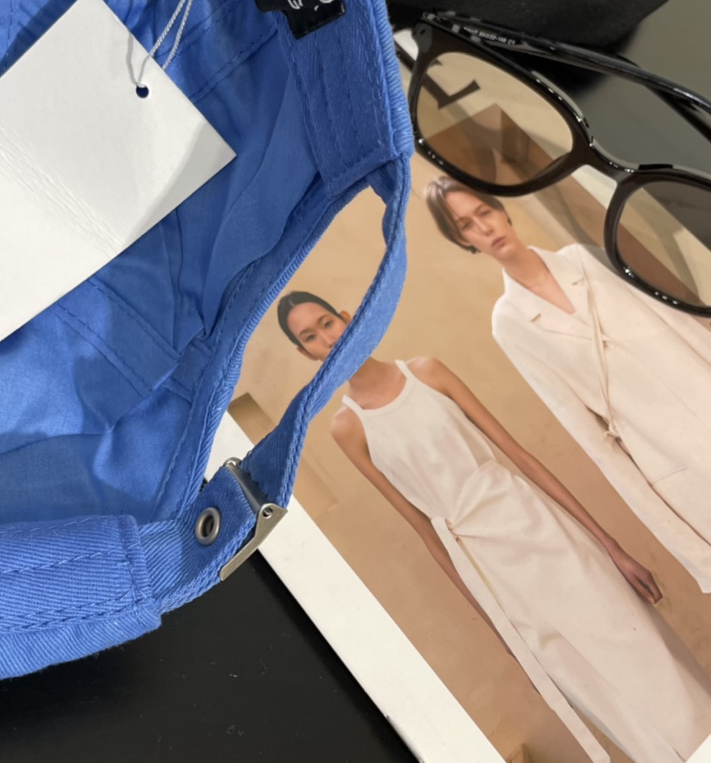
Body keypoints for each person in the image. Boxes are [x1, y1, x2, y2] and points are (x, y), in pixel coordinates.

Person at [279, 291, 711, 763]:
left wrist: (611, 547)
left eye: (327, 323)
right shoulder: (348, 428)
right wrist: (501, 633)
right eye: (311, 337)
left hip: (539, 526)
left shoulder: (426, 372)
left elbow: (521, 457)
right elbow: (424, 531)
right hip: (489, 571)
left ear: (347, 317)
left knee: (643, 648)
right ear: (304, 353)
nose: (327, 339)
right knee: (595, 686)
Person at [425, 175, 711, 592]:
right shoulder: (511, 323)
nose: (484, 227)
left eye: (484, 211)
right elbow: (590, 437)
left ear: (501, 209)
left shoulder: (588, 259)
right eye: (466, 226)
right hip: (671, 461)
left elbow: (682, 326)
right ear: (462, 240)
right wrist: (696, 556)